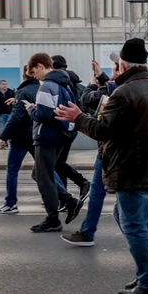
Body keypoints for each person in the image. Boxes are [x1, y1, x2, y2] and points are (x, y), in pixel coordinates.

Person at [56, 38, 148, 294]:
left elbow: (102, 130)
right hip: (146, 164)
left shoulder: (124, 93)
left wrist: (77, 117)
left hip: (129, 167)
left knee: (133, 226)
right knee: (123, 216)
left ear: (123, 65)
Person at [62, 60, 148, 247]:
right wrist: (100, 75)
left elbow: (88, 99)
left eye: (114, 69)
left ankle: (89, 233)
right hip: (135, 152)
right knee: (138, 194)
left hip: (111, 151)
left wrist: (92, 84)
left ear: (122, 70)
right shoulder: (141, 88)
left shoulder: (117, 90)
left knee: (100, 194)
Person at [26, 52, 83, 233]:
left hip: (46, 136)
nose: (35, 76)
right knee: (39, 173)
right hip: (60, 135)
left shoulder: (47, 86)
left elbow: (43, 114)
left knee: (44, 179)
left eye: (34, 72)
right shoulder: (64, 85)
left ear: (40, 65)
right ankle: (69, 201)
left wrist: (31, 109)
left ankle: (53, 219)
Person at [0, 65, 39, 214]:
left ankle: (10, 203)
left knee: (12, 170)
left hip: (20, 137)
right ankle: (64, 198)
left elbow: (16, 118)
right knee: (45, 169)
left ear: (24, 76)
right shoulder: (41, 89)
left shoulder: (23, 91)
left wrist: (3, 137)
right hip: (36, 135)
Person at [48, 56, 91, 204]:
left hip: (62, 126)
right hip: (71, 127)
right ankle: (64, 196)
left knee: (55, 162)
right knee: (58, 162)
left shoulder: (59, 82)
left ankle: (81, 183)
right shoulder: (73, 81)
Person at [0, 80, 15, 150]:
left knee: (10, 128)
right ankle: (4, 143)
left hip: (10, 113)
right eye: (3, 84)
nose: (5, 85)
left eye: (6, 84)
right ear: (0, 85)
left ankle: (11, 142)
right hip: (1, 114)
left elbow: (15, 102)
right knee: (2, 129)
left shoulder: (11, 92)